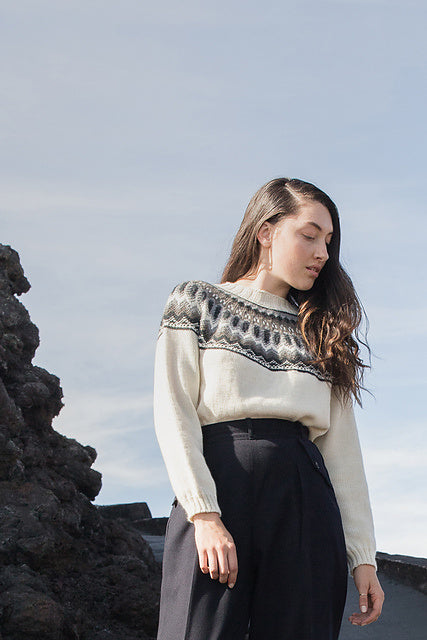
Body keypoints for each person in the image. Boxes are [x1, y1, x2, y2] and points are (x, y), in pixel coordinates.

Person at [152, 177, 385, 640]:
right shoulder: (197, 302)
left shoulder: (322, 332)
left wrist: (363, 557)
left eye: (328, 241)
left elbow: (342, 449)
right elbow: (174, 410)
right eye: (309, 235)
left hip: (304, 494)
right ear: (265, 232)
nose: (322, 253)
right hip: (220, 480)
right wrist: (204, 514)